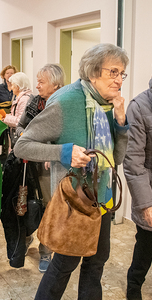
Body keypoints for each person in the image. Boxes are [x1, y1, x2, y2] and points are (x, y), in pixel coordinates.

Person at [14, 43, 129, 300]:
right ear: (93, 72)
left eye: (122, 73)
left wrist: (121, 123)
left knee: (97, 262)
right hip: (74, 202)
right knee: (64, 265)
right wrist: (64, 152)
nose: (119, 79)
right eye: (113, 72)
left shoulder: (108, 105)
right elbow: (22, 145)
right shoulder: (65, 101)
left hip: (102, 199)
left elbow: (116, 158)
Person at [16, 64, 65, 273]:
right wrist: (22, 138)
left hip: (49, 166)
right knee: (25, 202)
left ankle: (46, 250)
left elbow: (64, 136)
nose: (37, 86)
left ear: (56, 84)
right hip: (28, 163)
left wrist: (48, 150)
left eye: (41, 82)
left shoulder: (63, 103)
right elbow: (20, 126)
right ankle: (26, 238)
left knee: (47, 207)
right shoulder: (35, 102)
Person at [123, 78, 152, 300]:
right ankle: (134, 285)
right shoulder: (140, 106)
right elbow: (133, 161)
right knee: (146, 245)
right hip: (149, 190)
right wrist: (146, 204)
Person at [2, 72, 32, 149]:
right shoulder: (22, 98)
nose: (11, 88)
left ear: (18, 86)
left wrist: (4, 118)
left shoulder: (24, 99)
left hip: (20, 136)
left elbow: (19, 121)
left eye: (13, 85)